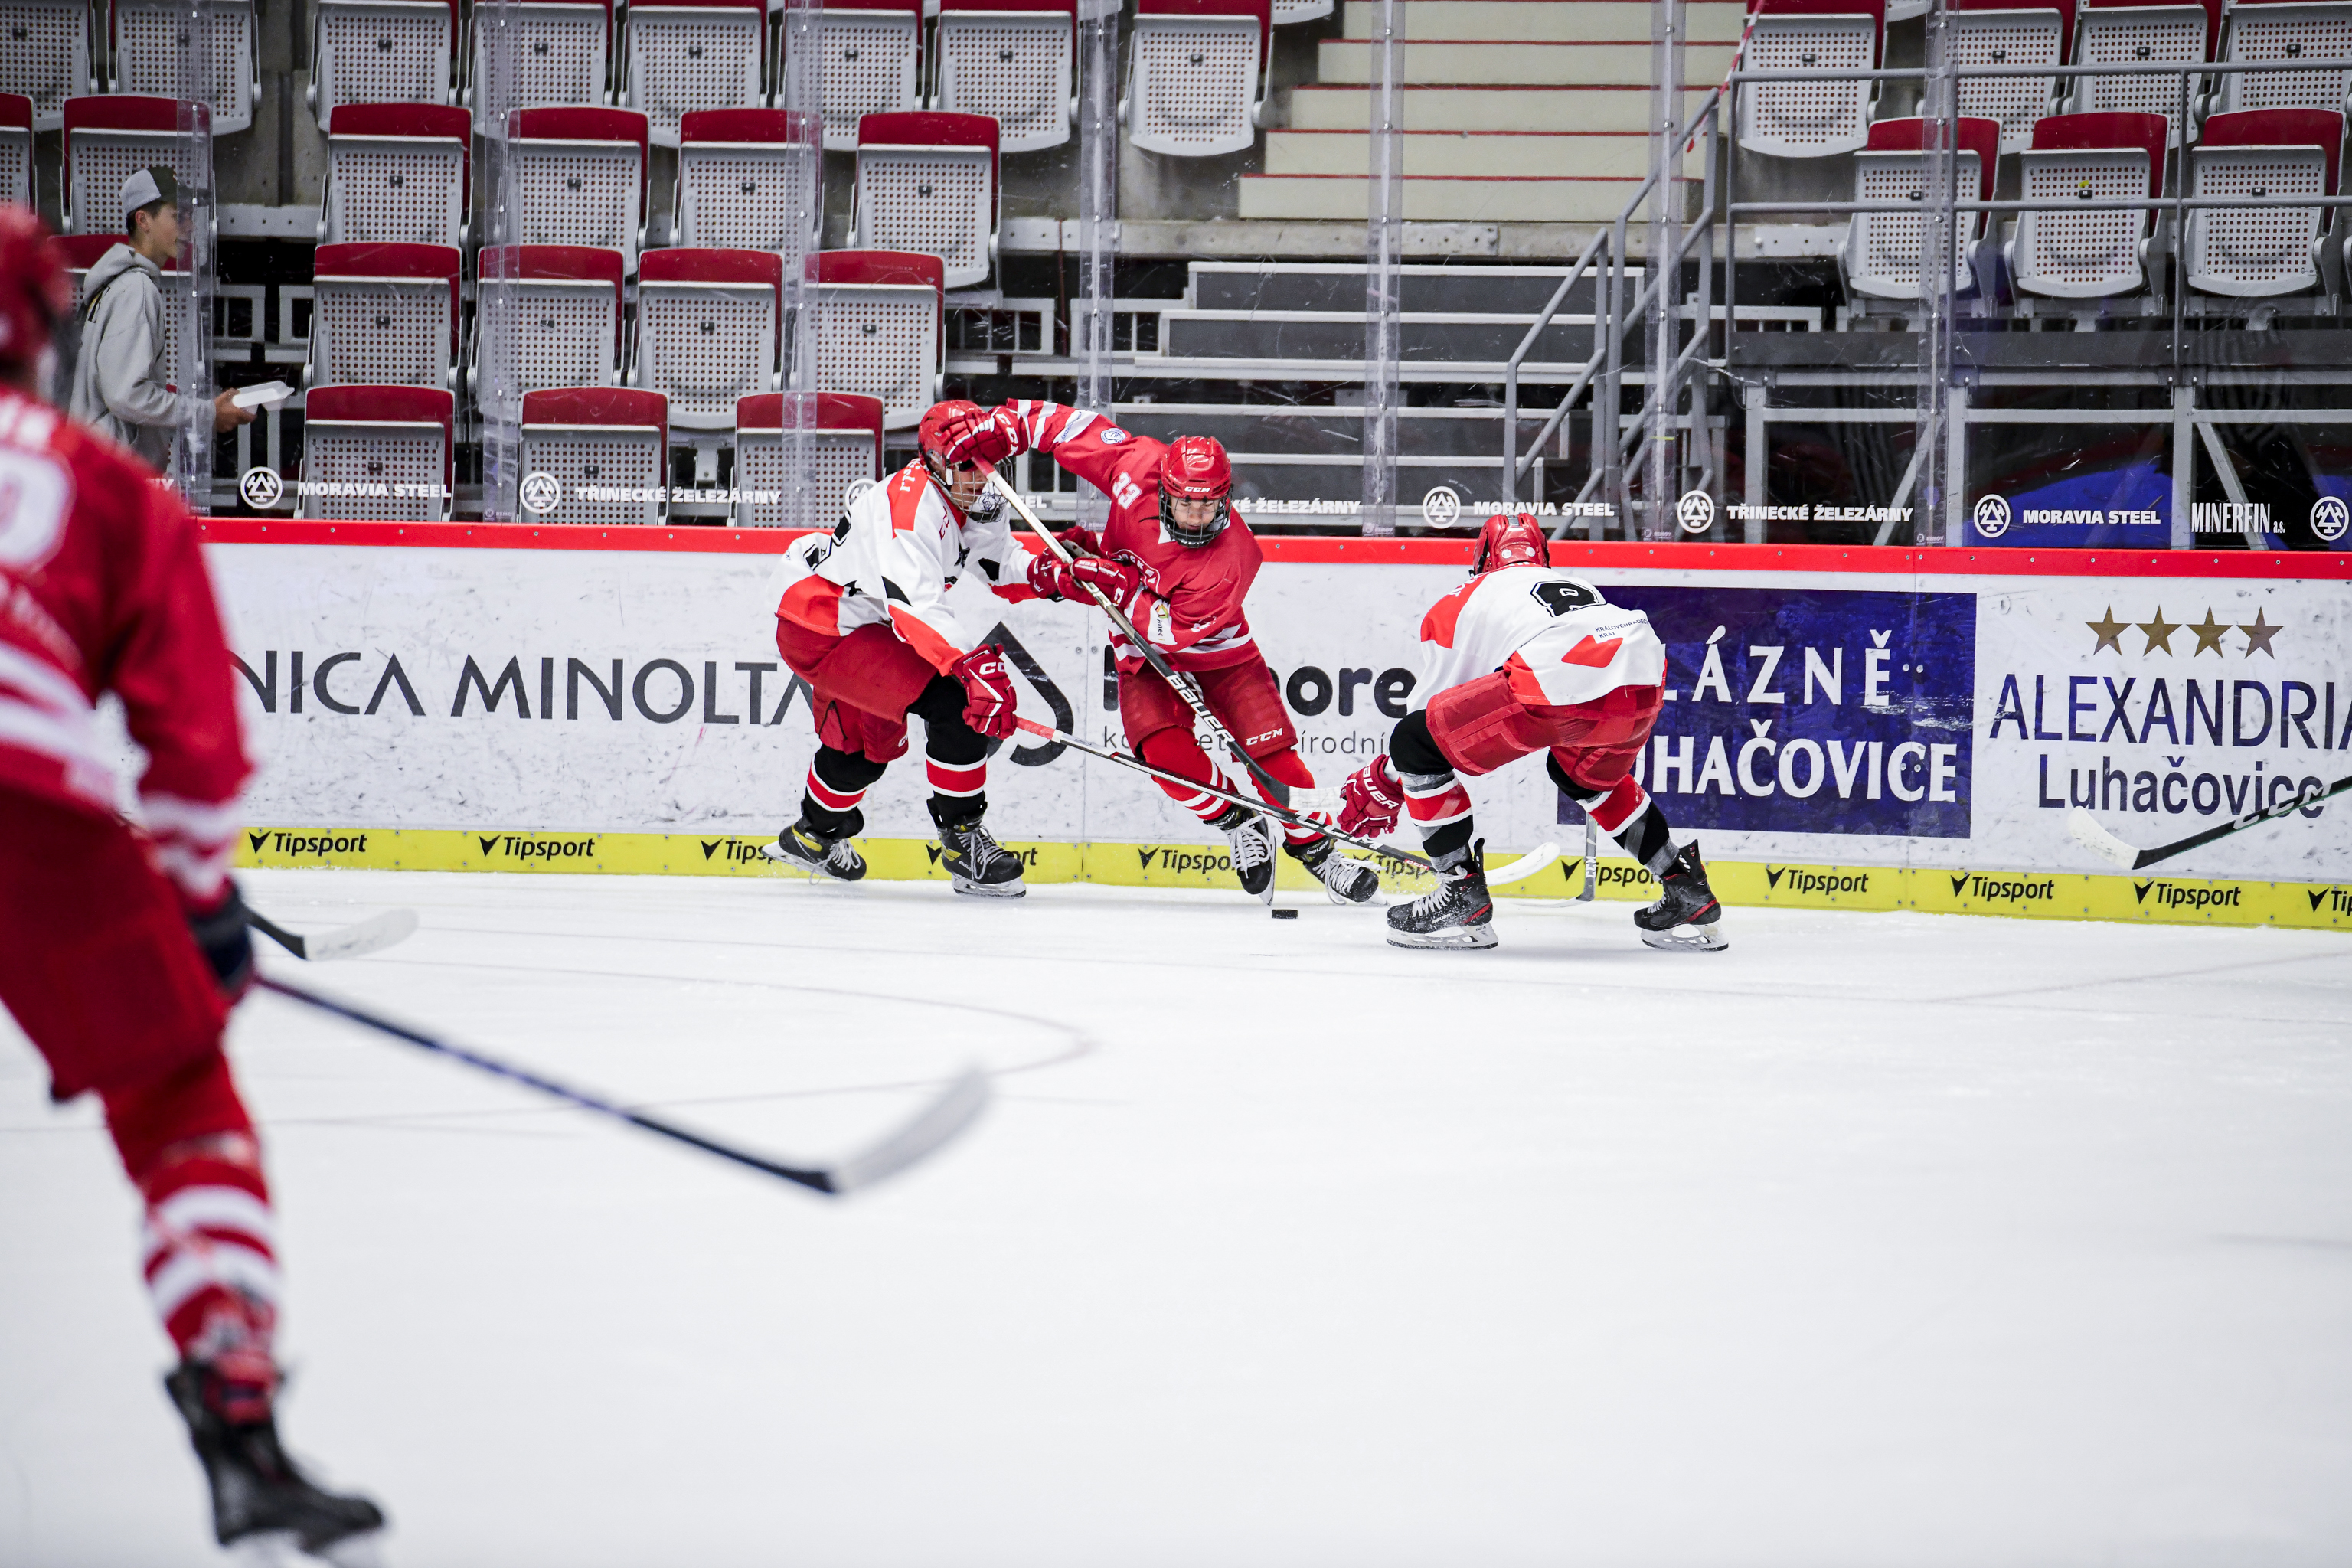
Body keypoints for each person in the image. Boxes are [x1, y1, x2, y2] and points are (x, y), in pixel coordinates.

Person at [0, 210, 384, 1560]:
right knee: (182, 1110)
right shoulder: (100, 488)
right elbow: (194, 745)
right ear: (44, 326)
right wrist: (193, 893)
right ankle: (236, 1410)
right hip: (30, 817)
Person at [938, 401, 1379, 904]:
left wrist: (1120, 586)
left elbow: (1171, 631)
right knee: (1162, 753)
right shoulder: (1138, 466)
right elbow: (1068, 428)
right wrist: (1005, 427)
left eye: (1208, 506)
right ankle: (1236, 819)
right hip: (1139, 652)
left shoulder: (1234, 557)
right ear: (1164, 489)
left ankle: (1319, 849)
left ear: (1226, 498)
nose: (1196, 516)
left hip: (1222, 653)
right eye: (1185, 504)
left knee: (1273, 758)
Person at [1335, 512, 1726, 952]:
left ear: (1482, 558)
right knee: (1582, 776)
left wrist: (1387, 780)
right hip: (1644, 679)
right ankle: (1684, 885)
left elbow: (1430, 723)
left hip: (1561, 680)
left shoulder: (1463, 598)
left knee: (1413, 742)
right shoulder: (1576, 587)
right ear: (1543, 556)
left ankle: (1460, 894)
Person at [761, 399, 1034, 896]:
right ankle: (963, 844)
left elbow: (997, 564)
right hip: (823, 621)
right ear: (935, 462)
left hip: (860, 618)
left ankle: (812, 836)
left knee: (863, 751)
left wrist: (1055, 573)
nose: (983, 476)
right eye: (969, 465)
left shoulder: (969, 491)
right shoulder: (910, 508)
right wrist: (972, 667)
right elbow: (916, 610)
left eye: (990, 462)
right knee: (957, 701)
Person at [66, 166, 253, 472]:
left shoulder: (118, 284)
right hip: (108, 470)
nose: (190, 226)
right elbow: (127, 395)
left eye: (189, 216)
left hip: (96, 463)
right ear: (143, 220)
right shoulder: (136, 289)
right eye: (178, 216)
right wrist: (207, 413)